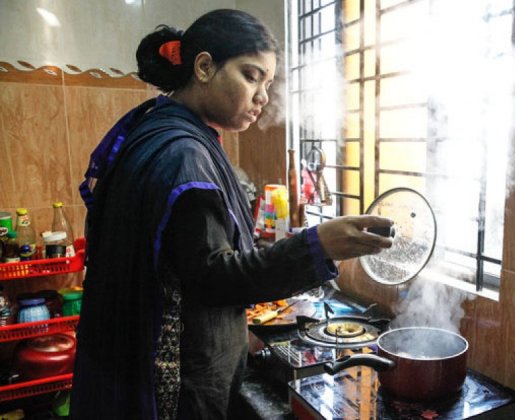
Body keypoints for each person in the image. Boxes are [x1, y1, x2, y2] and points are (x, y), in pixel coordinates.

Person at [70, 9, 392, 420]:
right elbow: (213, 278)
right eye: (251, 75)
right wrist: (318, 246)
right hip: (171, 385)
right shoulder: (184, 153)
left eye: (268, 83)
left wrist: (237, 333)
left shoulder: (160, 126)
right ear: (204, 67)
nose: (262, 97)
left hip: (124, 360)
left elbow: (175, 268)